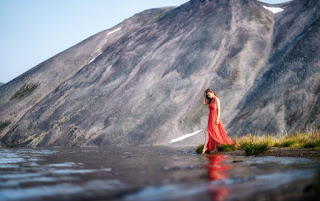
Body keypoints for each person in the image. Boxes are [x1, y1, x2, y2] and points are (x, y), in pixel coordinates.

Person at [202, 88, 237, 154]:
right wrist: (205, 94)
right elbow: (204, 102)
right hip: (211, 117)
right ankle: (213, 147)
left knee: (214, 132)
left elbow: (219, 109)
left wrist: (217, 118)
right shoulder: (211, 100)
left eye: (209, 95)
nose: (208, 96)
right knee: (211, 131)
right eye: (207, 96)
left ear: (213, 93)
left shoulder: (216, 99)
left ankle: (214, 148)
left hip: (215, 117)